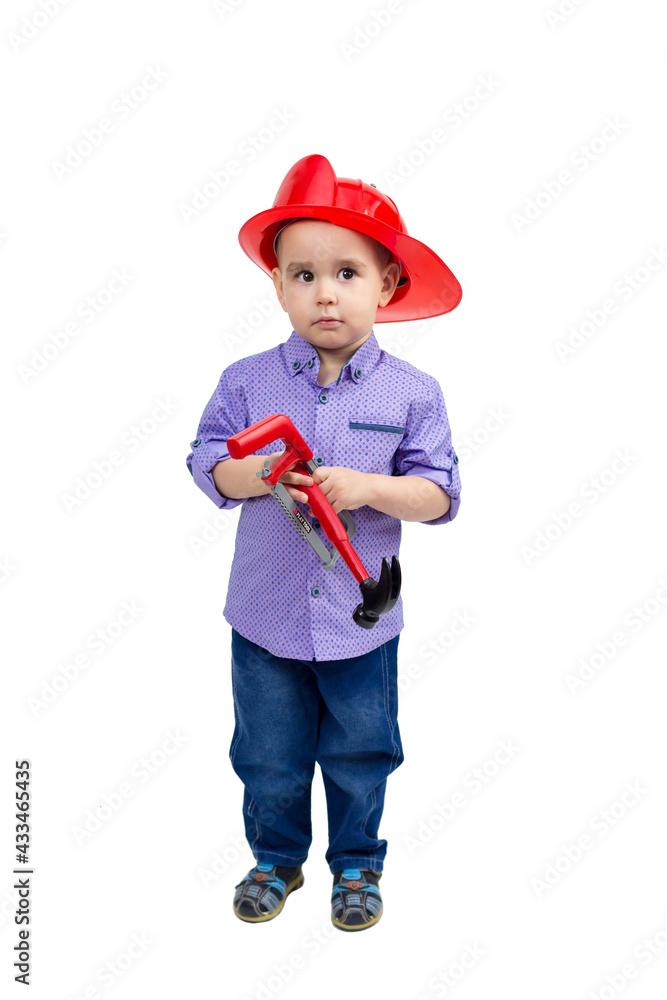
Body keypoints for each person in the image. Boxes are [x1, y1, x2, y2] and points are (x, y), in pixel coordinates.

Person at [185, 153, 462, 931]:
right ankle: (276, 859)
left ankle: (357, 865)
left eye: (347, 273)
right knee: (266, 755)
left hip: (359, 622)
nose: (325, 293)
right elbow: (206, 460)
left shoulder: (413, 393)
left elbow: (440, 494)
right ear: (278, 286)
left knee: (361, 752)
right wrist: (255, 474)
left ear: (387, 285)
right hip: (264, 616)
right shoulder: (245, 381)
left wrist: (369, 488)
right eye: (303, 275)